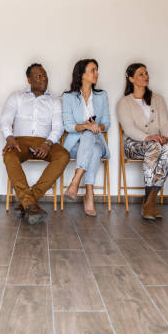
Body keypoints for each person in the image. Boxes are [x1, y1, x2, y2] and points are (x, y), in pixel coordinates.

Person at [1, 63, 69, 225]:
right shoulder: (17, 96)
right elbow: (6, 119)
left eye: (45, 75)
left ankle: (27, 203)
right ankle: (30, 204)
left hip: (45, 142)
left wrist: (48, 143)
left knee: (63, 155)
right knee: (9, 155)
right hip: (20, 141)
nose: (43, 78)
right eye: (38, 76)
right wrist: (9, 137)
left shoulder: (54, 101)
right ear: (29, 80)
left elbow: (58, 126)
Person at [117, 63, 168, 220]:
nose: (145, 76)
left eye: (146, 73)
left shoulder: (158, 99)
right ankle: (150, 203)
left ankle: (149, 202)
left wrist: (165, 137)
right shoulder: (124, 102)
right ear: (131, 79)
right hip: (133, 144)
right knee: (154, 147)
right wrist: (148, 138)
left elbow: (166, 124)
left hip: (156, 144)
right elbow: (128, 128)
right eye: (141, 74)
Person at [62, 59, 110, 216]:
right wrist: (86, 126)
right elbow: (68, 126)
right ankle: (89, 193)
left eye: (97, 70)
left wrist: (96, 127)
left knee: (91, 137)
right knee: (94, 149)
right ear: (82, 74)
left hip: (98, 139)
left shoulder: (102, 95)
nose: (97, 73)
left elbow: (106, 124)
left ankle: (75, 181)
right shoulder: (68, 97)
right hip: (76, 146)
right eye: (93, 70)